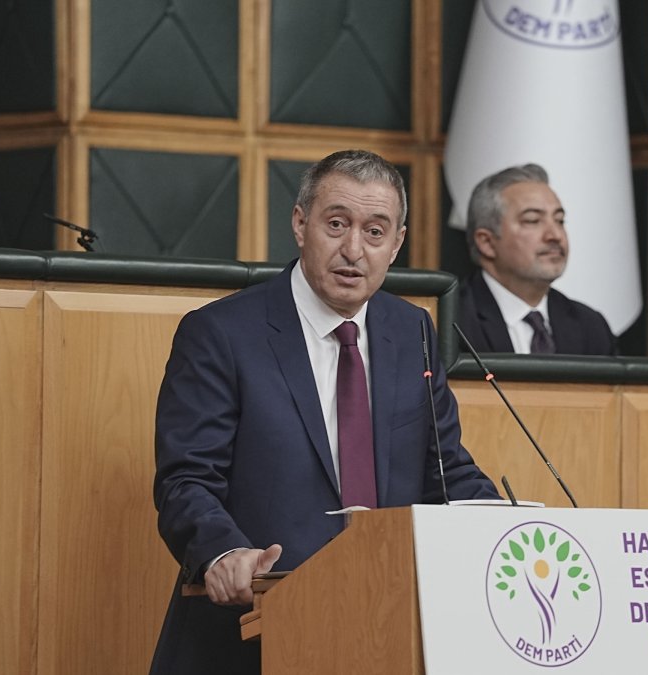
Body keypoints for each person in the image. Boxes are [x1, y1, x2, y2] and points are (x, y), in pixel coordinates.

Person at [151, 149, 499, 673]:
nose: (353, 249)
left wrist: (504, 529)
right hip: (252, 635)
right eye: (336, 224)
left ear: (397, 244)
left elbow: (444, 471)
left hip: (383, 627)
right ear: (300, 224)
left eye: (375, 232)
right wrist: (222, 555)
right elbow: (186, 480)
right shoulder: (221, 334)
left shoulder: (412, 332)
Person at [457, 163, 615, 355]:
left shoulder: (590, 326)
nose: (555, 235)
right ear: (487, 242)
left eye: (559, 220)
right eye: (532, 220)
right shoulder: (451, 321)